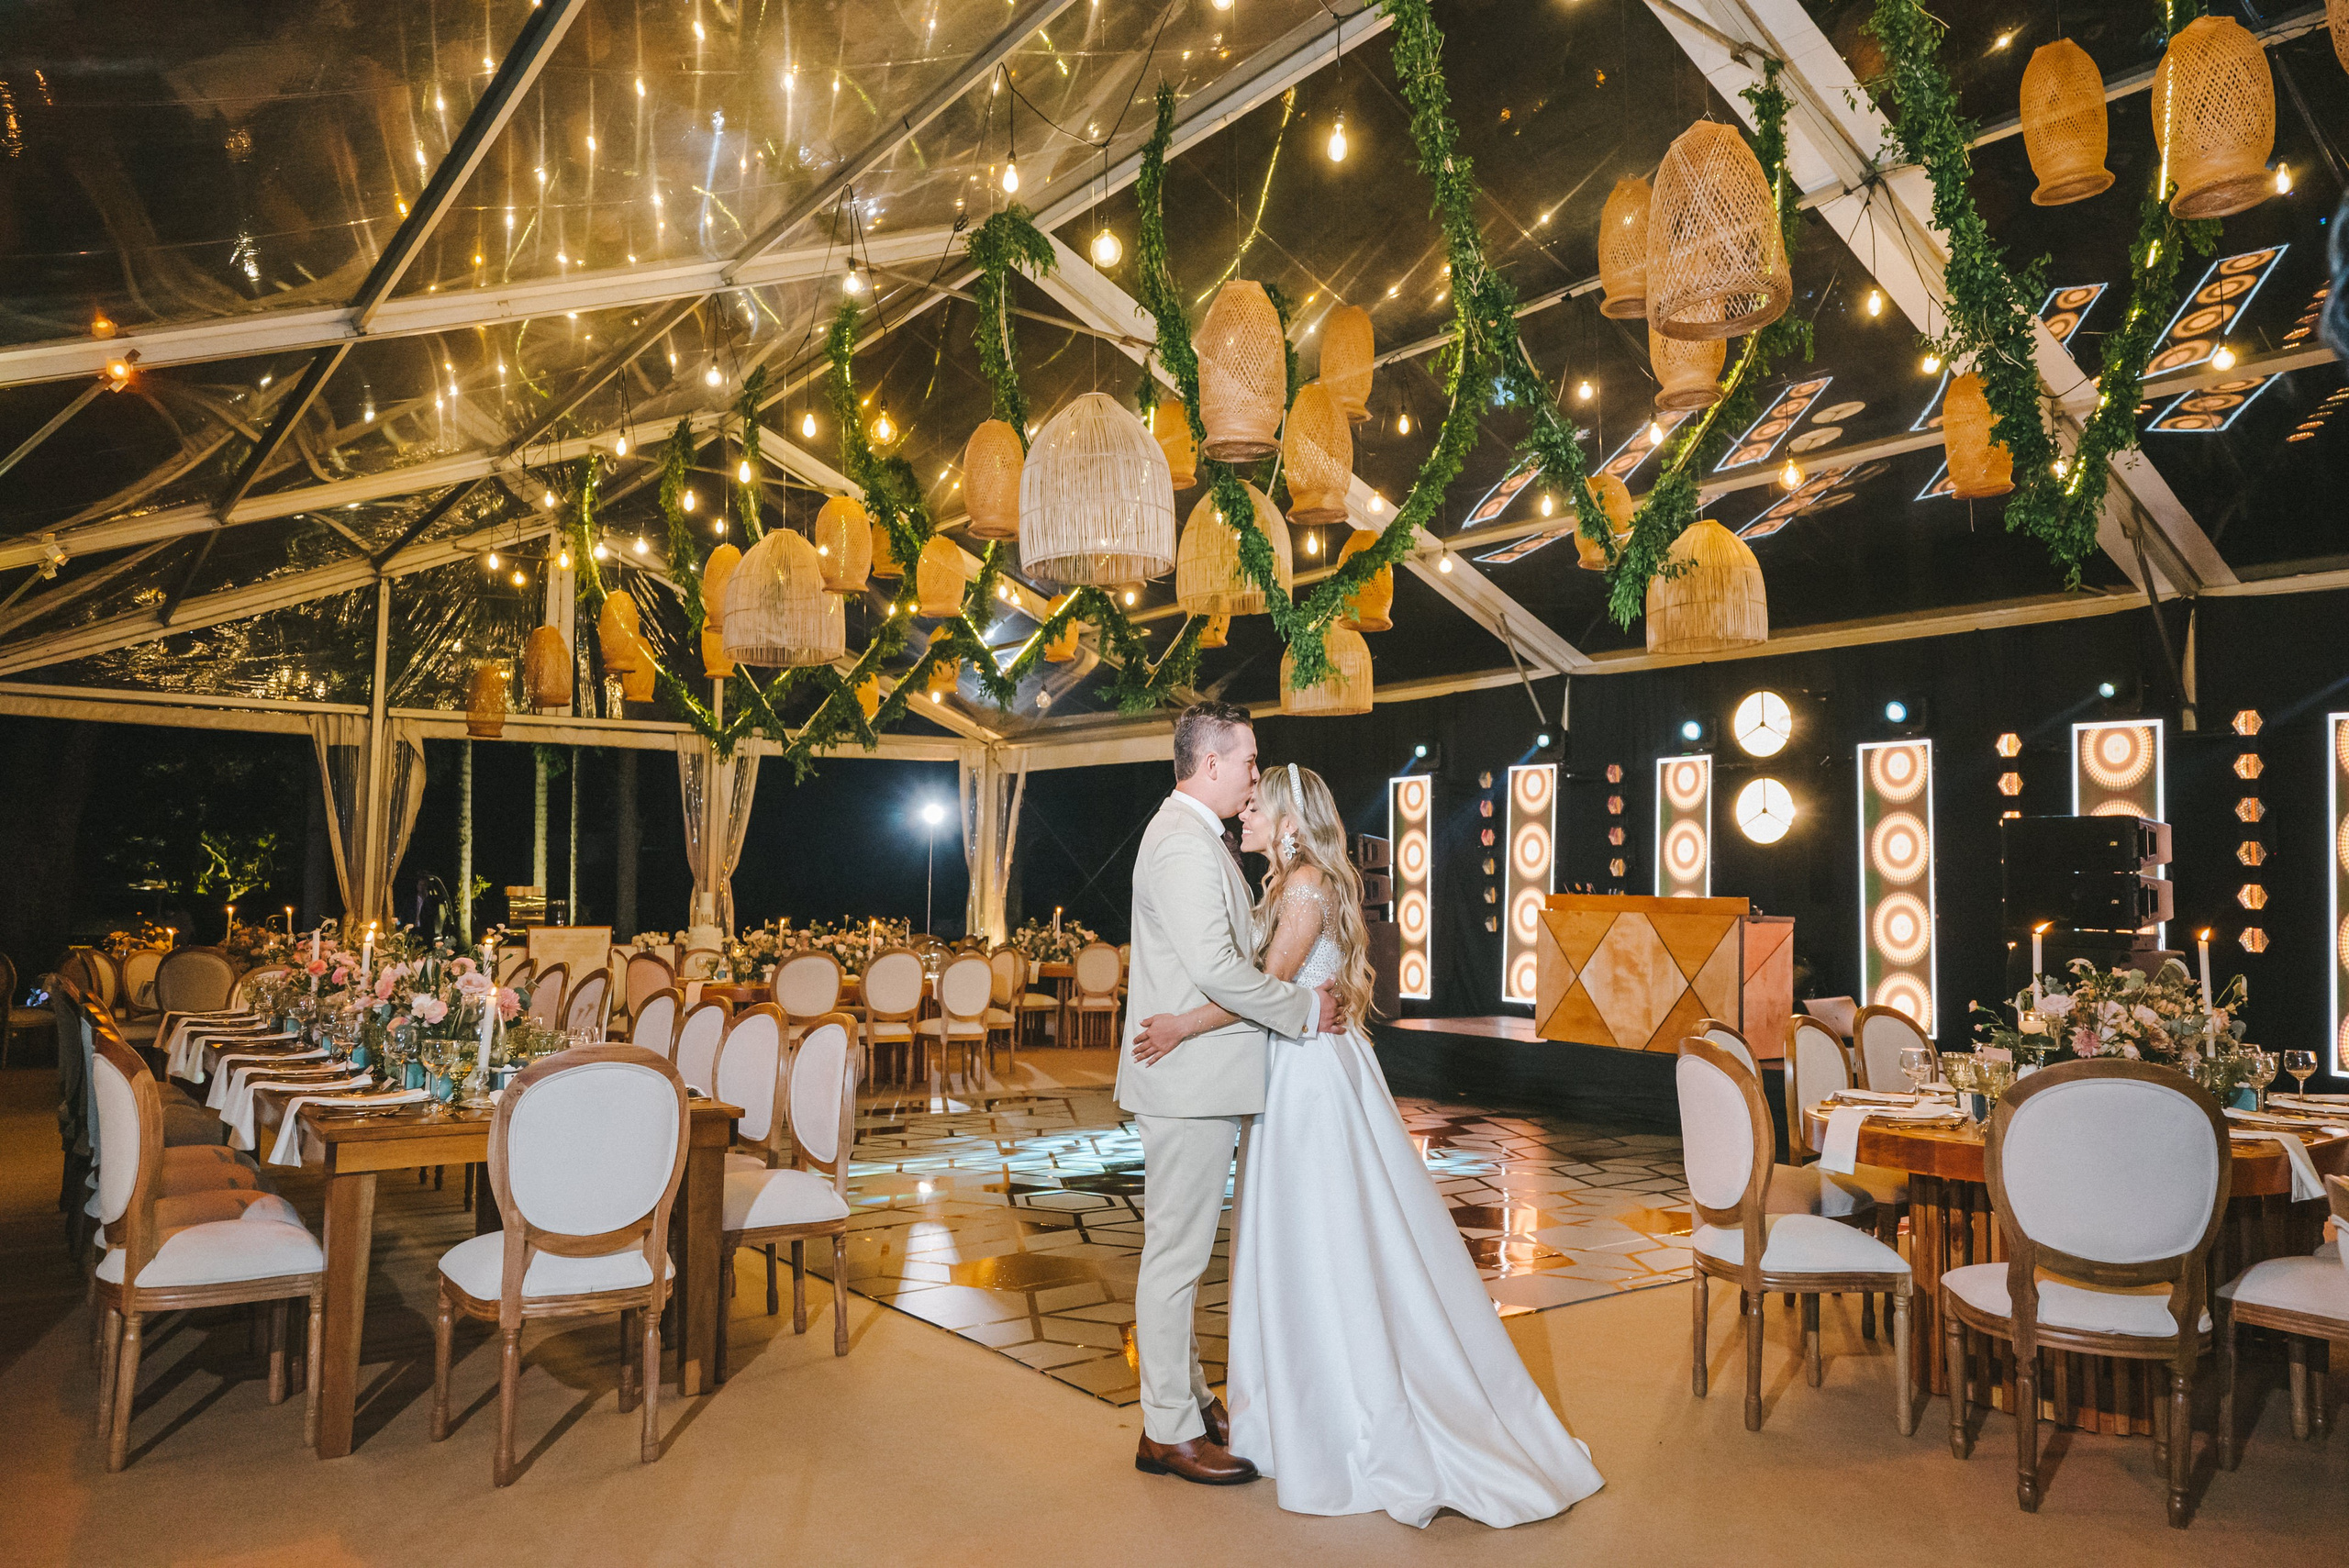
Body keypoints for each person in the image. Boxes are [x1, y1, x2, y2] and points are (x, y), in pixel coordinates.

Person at [1132, 762, 1606, 1529]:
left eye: (1258, 802)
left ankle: (1327, 1403)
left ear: (1289, 817)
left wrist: (1181, 1025)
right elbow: (1282, 988)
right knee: (1323, 1230)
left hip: (1307, 1082)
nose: (1245, 810)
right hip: (1308, 1066)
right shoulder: (1296, 881)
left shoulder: (1303, 886)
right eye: (1244, 795)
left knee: (1317, 1235)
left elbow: (1270, 984)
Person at [1118, 703, 1339, 1485]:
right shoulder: (1180, 842)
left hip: (1199, 1076)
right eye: (1248, 760)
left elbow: (1224, 956)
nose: (1255, 775)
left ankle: (1190, 1398)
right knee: (1174, 1260)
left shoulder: (1195, 838)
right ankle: (1167, 1431)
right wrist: (1307, 1010)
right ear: (1209, 763)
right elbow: (1217, 971)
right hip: (1186, 1084)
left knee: (1178, 1255)